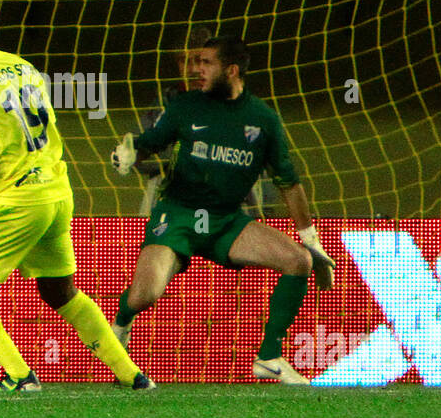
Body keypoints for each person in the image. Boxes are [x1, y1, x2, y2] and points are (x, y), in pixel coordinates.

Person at [0, 0, 155, 392]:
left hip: (19, 199)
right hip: (57, 193)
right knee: (59, 289)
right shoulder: (27, 69)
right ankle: (133, 376)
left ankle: (20, 376)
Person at [109, 35, 335, 384]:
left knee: (298, 261)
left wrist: (311, 241)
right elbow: (148, 144)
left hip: (227, 220)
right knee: (144, 295)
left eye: (206, 63)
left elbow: (288, 182)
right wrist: (127, 153)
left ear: (231, 70)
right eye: (196, 62)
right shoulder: (186, 105)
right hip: (178, 215)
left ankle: (270, 357)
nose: (197, 69)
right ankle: (120, 326)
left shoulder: (263, 119)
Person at [135, 25, 268, 217]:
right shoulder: (165, 104)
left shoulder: (242, 106)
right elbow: (139, 157)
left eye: (199, 60)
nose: (193, 69)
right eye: (184, 61)